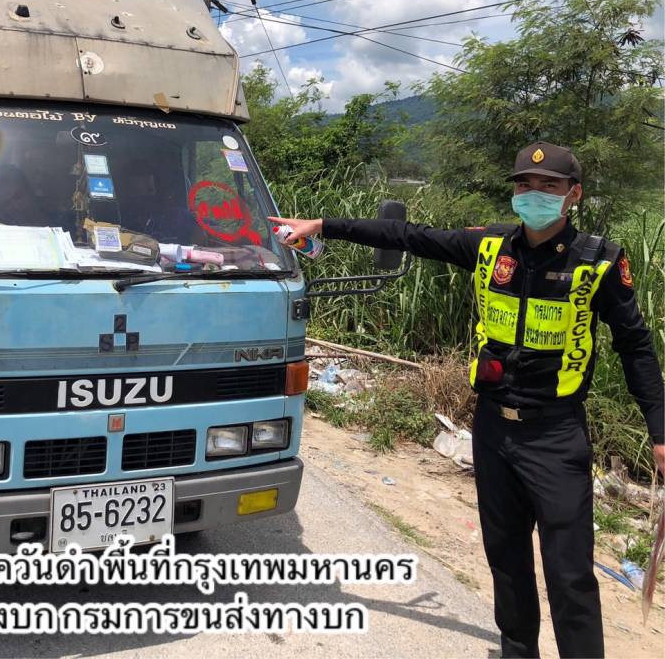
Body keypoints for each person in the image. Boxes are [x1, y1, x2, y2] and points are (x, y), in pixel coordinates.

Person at [269, 141, 664, 659]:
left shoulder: (598, 261)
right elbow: (409, 235)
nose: (535, 193)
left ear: (574, 194)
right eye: (525, 184)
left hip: (556, 435)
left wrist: (660, 432)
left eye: (549, 186)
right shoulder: (490, 246)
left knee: (569, 575)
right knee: (506, 561)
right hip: (493, 429)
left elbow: (636, 347)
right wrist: (323, 225)